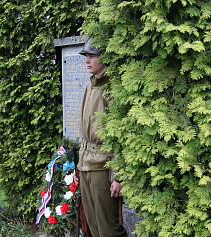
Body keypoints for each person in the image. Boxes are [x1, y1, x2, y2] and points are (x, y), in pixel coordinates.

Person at [74, 38, 127, 237]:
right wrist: (79, 166)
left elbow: (121, 136)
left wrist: (118, 176)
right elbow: (85, 135)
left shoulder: (112, 89)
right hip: (86, 165)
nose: (87, 60)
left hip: (103, 168)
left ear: (105, 59)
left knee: (108, 230)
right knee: (93, 227)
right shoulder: (90, 86)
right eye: (86, 56)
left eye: (92, 56)